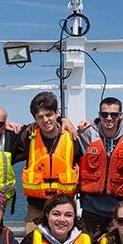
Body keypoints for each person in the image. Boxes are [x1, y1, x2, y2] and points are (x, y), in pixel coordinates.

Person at [14, 92, 81, 234]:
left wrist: (66, 120)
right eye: (40, 117)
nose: (46, 120)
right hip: (36, 208)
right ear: (35, 119)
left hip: (64, 208)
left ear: (56, 113)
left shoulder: (72, 137)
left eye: (49, 114)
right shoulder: (27, 137)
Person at [78, 97, 123, 240]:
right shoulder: (86, 134)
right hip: (91, 210)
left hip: (117, 212)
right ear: (99, 115)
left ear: (121, 115)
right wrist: (63, 120)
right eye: (105, 114)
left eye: (114, 114)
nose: (109, 118)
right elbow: (61, 131)